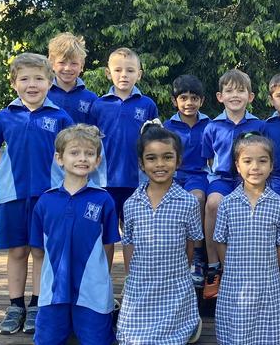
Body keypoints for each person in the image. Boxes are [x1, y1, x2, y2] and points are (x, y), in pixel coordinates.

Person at [0, 53, 74, 334]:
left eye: (39, 78)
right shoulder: (5, 116)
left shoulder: (60, 117)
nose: (32, 85)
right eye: (24, 79)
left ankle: (37, 304)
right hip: (13, 196)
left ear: (50, 82)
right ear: (14, 83)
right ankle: (15, 306)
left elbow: (71, 151)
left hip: (48, 197)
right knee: (18, 250)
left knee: (40, 250)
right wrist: (6, 164)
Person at [29, 124, 120, 344]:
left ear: (98, 161)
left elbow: (108, 247)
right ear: (59, 158)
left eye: (89, 153)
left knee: (97, 340)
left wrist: (101, 283)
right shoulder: (45, 201)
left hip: (92, 292)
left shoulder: (104, 200)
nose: (82, 158)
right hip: (53, 292)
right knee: (47, 339)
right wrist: (42, 291)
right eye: (74, 152)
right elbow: (38, 253)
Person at [117, 122, 203, 344]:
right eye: (151, 158)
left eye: (167, 157)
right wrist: (131, 277)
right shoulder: (131, 203)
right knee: (131, 338)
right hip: (140, 285)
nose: (160, 164)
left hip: (174, 284)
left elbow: (190, 244)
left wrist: (181, 271)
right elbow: (128, 243)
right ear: (141, 163)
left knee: (171, 338)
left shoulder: (188, 202)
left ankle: (189, 322)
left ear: (178, 161)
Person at [214, 133, 280, 344]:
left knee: (267, 327)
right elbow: (220, 240)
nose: (255, 167)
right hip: (235, 276)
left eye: (262, 161)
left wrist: (273, 267)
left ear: (272, 165)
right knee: (236, 322)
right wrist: (228, 265)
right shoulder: (228, 203)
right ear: (237, 166)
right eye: (247, 161)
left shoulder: (279, 204)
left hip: (267, 277)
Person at [88, 47, 159, 272]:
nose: (123, 75)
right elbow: (89, 142)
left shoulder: (147, 105)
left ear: (139, 74)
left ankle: (133, 282)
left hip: (137, 182)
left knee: (134, 235)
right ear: (108, 73)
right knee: (105, 236)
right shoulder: (98, 105)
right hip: (104, 182)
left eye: (130, 70)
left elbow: (155, 141)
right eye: (117, 70)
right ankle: (102, 288)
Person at [201, 69, 264, 299]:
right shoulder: (212, 126)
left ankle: (254, 266)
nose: (235, 95)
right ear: (220, 97)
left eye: (241, 90)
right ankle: (214, 266)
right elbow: (208, 158)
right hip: (223, 180)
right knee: (213, 204)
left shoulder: (259, 125)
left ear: (250, 96)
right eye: (229, 91)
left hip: (251, 180)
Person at [163, 74, 210, 288]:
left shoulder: (209, 125)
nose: (189, 103)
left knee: (196, 199)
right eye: (183, 98)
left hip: (198, 176)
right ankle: (171, 256)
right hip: (172, 176)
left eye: (194, 98)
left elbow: (212, 158)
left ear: (201, 101)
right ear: (175, 101)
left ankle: (198, 255)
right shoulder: (166, 126)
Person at [47, 32, 99, 124]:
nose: (67, 68)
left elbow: (94, 132)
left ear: (82, 66)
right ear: (52, 64)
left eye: (74, 63)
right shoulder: (43, 95)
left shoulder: (91, 99)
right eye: (62, 63)